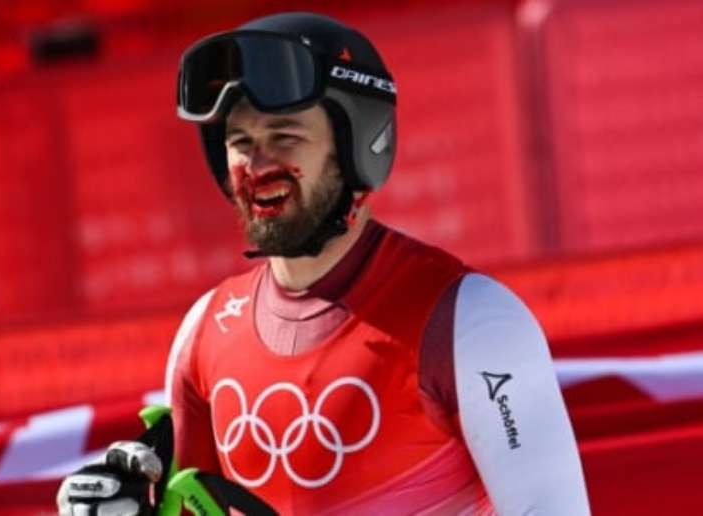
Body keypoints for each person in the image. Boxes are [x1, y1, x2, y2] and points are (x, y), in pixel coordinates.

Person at [59, 11, 590, 515]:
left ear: (359, 144)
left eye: (285, 136)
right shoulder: (204, 332)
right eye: (240, 142)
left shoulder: (470, 321)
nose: (256, 165)